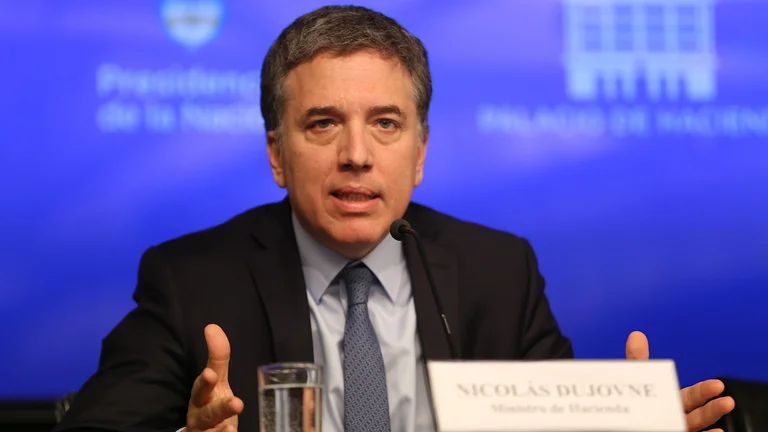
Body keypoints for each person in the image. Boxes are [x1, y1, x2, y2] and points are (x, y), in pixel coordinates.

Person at [54, 5, 735, 432]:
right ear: (277, 155)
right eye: (323, 124)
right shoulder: (193, 279)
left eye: (385, 123)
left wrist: (622, 426)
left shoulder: (498, 271)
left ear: (420, 153)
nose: (357, 155)